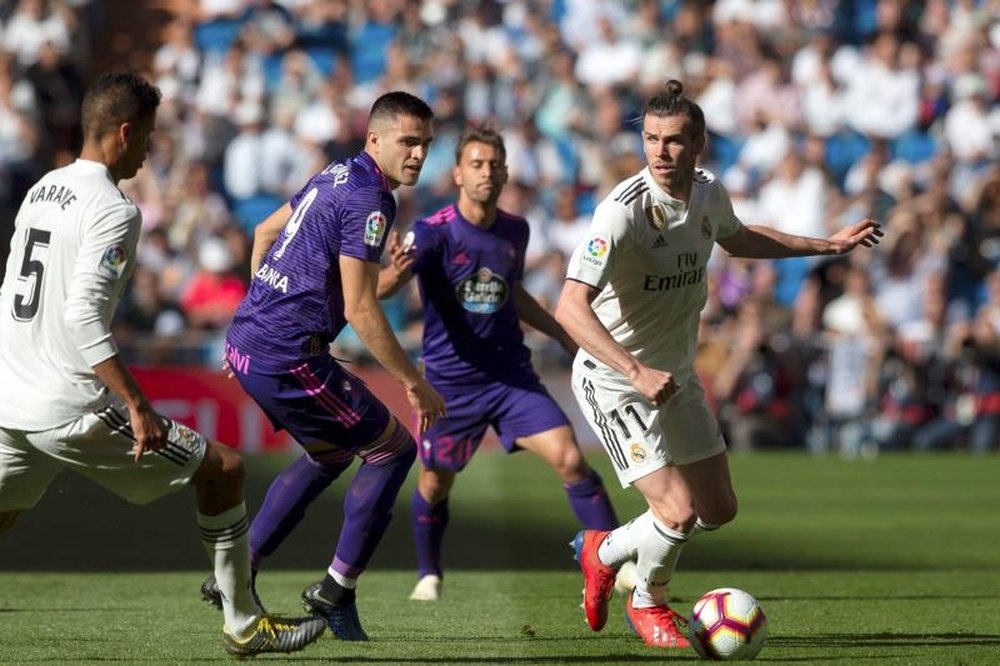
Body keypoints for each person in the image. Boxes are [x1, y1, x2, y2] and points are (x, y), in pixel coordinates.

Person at [0, 72, 326, 658]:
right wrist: (136, 403)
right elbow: (81, 318)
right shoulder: (114, 209)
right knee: (223, 469)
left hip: (10, 398)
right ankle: (245, 622)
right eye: (148, 137)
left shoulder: (43, 187)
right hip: (66, 405)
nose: (150, 150)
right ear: (124, 133)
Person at [555, 80, 883, 649]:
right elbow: (568, 306)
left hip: (675, 377)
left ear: (699, 143)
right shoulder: (622, 213)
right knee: (676, 512)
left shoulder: (707, 192)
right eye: (652, 139)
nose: (660, 152)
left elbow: (739, 237)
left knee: (718, 509)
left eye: (674, 141)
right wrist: (634, 371)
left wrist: (825, 247)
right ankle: (649, 602)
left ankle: (601, 549)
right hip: (616, 380)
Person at [200, 91, 447, 641]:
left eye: (425, 145)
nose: (418, 156)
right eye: (408, 142)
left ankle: (235, 575)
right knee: (393, 449)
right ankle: (335, 589)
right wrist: (414, 382)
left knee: (330, 452)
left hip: (250, 342)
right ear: (375, 138)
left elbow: (265, 234)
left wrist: (256, 318)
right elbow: (361, 308)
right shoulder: (372, 200)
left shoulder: (336, 173)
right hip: (287, 354)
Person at [376, 125, 635, 601]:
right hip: (450, 386)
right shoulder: (431, 234)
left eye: (494, 165)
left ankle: (615, 564)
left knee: (572, 458)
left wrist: (562, 331)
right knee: (434, 484)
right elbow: (385, 289)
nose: (486, 173)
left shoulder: (516, 230)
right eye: (476, 164)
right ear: (457, 173)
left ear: (506, 172)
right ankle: (428, 573)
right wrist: (395, 267)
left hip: (511, 377)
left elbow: (510, 291)